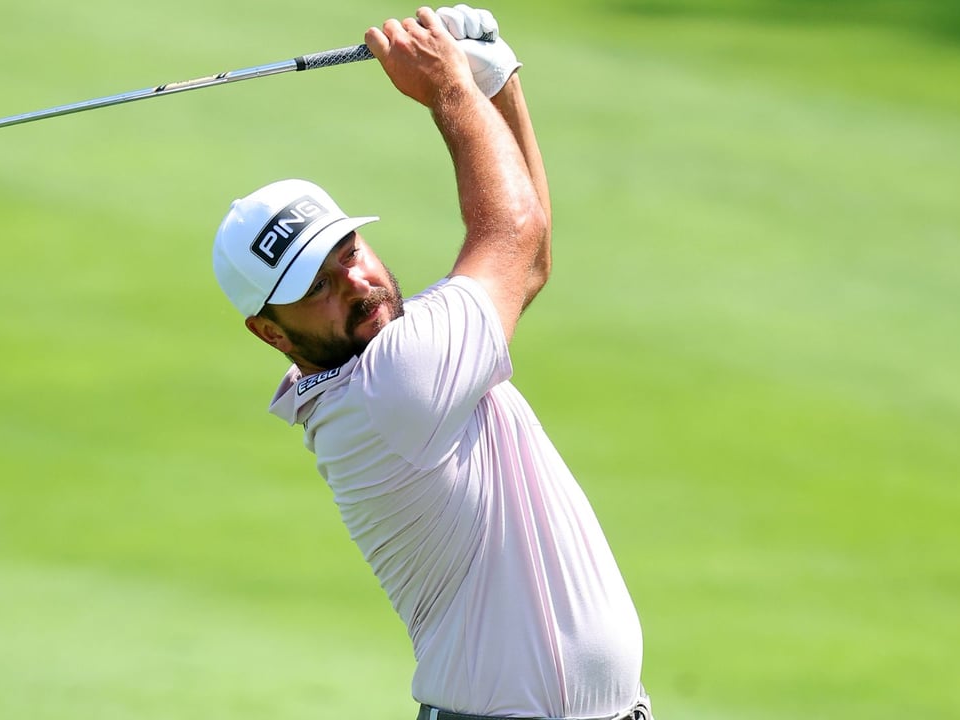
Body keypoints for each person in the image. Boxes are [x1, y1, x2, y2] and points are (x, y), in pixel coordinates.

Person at [211, 6, 652, 719]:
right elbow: (513, 233)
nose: (354, 284)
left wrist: (496, 80)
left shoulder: (395, 359)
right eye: (313, 289)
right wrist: (450, 89)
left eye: (348, 252)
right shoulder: (392, 389)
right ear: (271, 332)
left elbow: (529, 258)